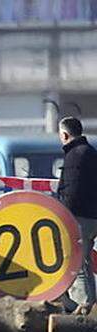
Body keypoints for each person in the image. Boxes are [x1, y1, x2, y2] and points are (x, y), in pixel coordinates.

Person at [57, 116, 97, 312]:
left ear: (64, 134)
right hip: (92, 216)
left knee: (77, 262)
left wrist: (62, 214)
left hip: (79, 217)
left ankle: (85, 305)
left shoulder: (74, 156)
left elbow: (71, 191)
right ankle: (82, 302)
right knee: (84, 261)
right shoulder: (90, 152)